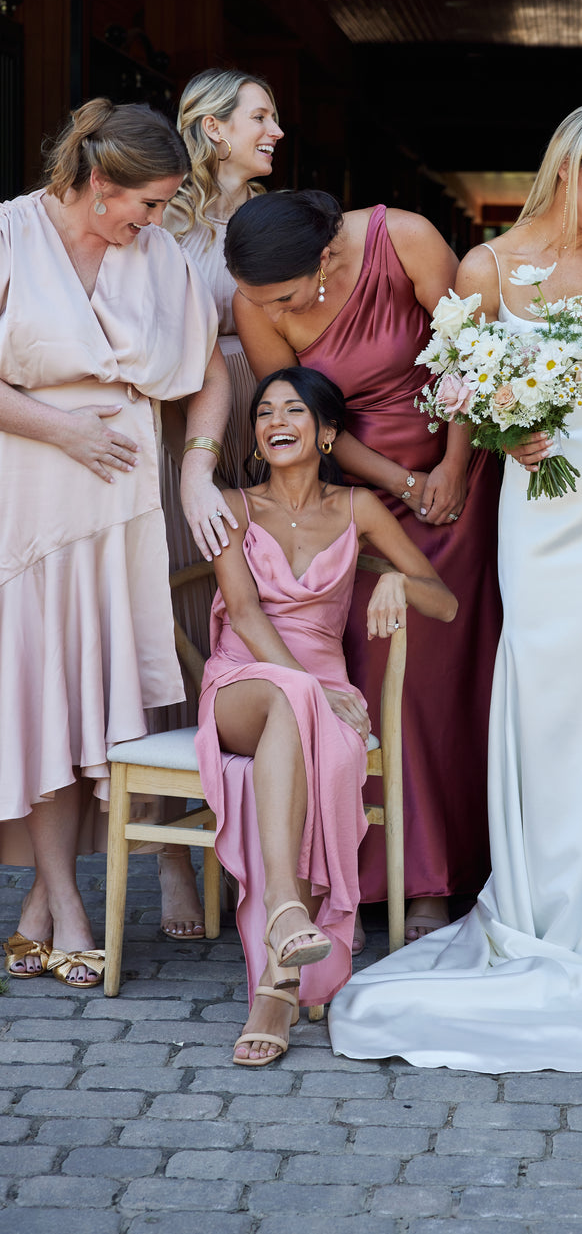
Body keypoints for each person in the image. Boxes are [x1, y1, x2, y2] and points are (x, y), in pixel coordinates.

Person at [326, 100, 582, 1073]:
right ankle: (533, 897)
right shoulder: (487, 265)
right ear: (568, 171)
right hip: (537, 511)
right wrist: (493, 429)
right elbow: (450, 385)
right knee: (545, 689)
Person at [225, 189, 500, 942]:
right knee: (377, 675)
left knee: (452, 676)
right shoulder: (256, 300)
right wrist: (401, 482)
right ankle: (379, 873)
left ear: (321, 260)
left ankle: (456, 869)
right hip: (361, 493)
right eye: (258, 299)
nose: (266, 309)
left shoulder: (404, 237)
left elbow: (471, 356)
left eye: (282, 297)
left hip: (460, 474)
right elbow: (303, 416)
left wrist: (453, 464)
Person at [0, 98, 230, 988]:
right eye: (149, 202)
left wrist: (196, 470)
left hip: (125, 509)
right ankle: (66, 903)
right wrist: (62, 429)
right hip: (30, 503)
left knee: (90, 697)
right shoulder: (11, 235)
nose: (159, 219)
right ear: (100, 183)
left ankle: (41, 906)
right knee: (43, 695)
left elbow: (208, 373)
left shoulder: (159, 255)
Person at [195, 367, 456, 1066]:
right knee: (290, 699)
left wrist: (397, 578)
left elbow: (445, 601)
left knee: (315, 730)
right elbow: (245, 613)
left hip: (324, 696)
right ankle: (287, 907)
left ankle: (277, 987)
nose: (275, 421)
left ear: (328, 432)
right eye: (264, 412)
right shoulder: (232, 507)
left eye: (293, 410)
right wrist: (307, 683)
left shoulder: (359, 507)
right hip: (243, 684)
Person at [153, 68, 285, 941]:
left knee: (257, 608)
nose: (276, 131)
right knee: (179, 615)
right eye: (261, 116)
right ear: (212, 128)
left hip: (265, 429)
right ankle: (171, 849)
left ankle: (254, 833)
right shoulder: (161, 222)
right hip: (181, 436)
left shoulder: (274, 219)